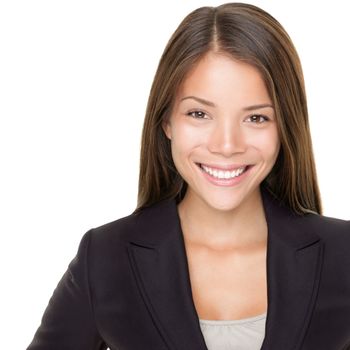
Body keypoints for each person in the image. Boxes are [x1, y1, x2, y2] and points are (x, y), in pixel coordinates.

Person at [27, 3, 350, 350]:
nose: (227, 145)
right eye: (199, 113)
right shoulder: (106, 258)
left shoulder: (343, 256)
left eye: (256, 118)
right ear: (167, 121)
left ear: (286, 126)